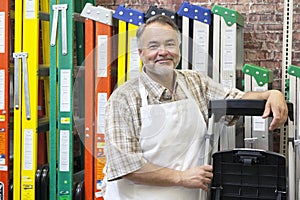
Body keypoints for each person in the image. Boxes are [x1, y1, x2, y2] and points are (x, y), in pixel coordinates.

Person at [103, 15, 288, 199]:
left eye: (170, 44)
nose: (163, 52)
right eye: (153, 46)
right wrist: (181, 177)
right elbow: (126, 166)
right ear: (141, 53)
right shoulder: (124, 98)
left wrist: (272, 94)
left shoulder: (195, 82)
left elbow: (236, 100)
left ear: (178, 49)